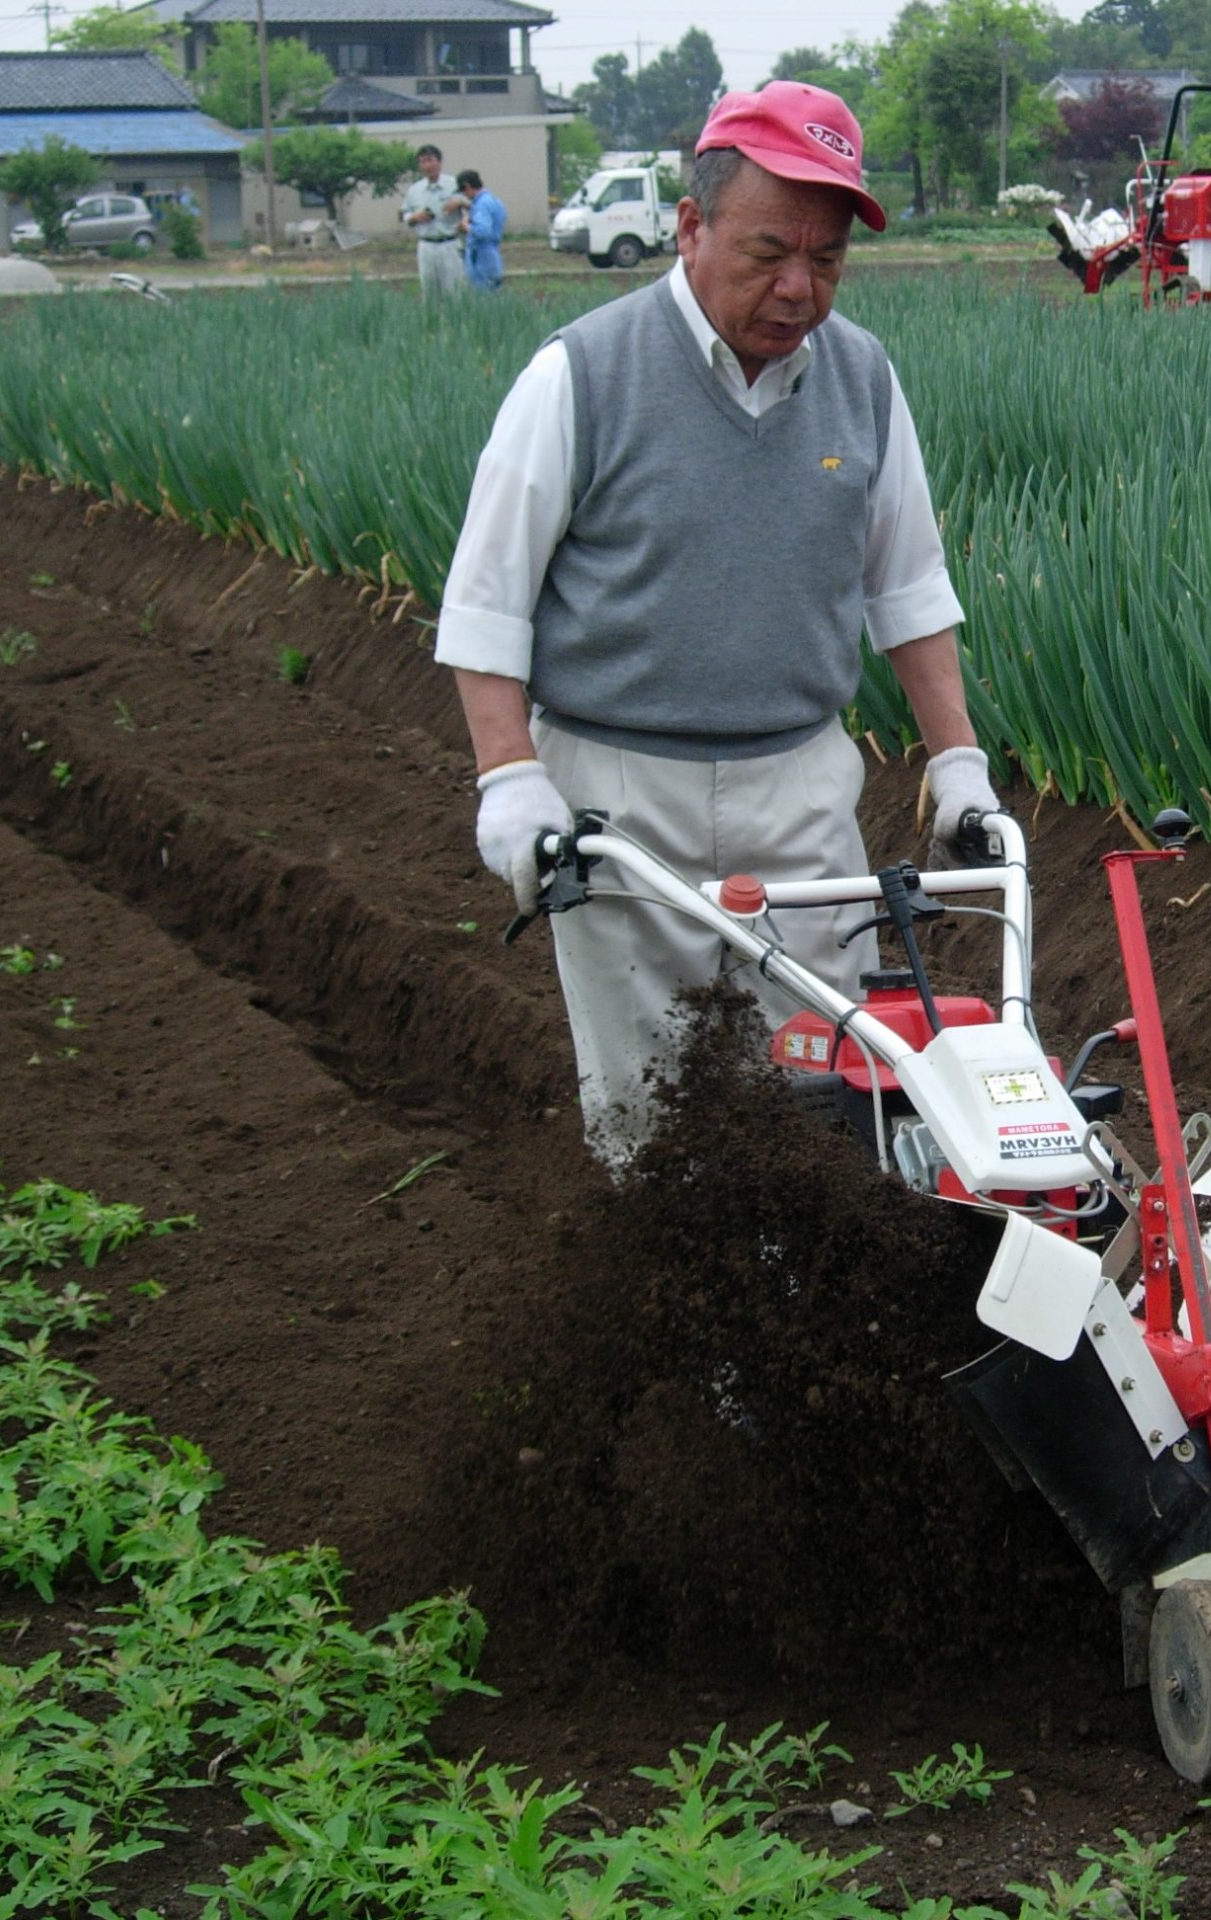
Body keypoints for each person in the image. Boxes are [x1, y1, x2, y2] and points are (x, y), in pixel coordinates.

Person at [436, 80, 1003, 1159]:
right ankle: (658, 1258)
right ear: (691, 227)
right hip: (619, 794)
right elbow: (487, 601)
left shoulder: (863, 379)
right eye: (768, 252)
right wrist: (509, 777)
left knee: (824, 1079)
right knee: (648, 1095)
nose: (798, 288)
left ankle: (812, 1262)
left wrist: (959, 761)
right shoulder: (581, 374)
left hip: (798, 786)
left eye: (827, 260)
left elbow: (907, 587)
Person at [400, 144, 466, 295]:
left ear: (439, 162)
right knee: (429, 291)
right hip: (426, 245)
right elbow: (404, 213)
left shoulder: (454, 184)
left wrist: (459, 203)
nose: (427, 166)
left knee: (455, 291)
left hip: (449, 243)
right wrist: (414, 217)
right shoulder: (415, 189)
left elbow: (471, 205)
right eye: (423, 162)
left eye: (430, 160)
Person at [457, 169, 505, 291]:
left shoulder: (481, 205)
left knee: (482, 294)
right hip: (493, 252)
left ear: (467, 186)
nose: (464, 195)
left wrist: (466, 226)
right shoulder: (494, 200)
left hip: (481, 256)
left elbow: (482, 231)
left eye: (463, 191)